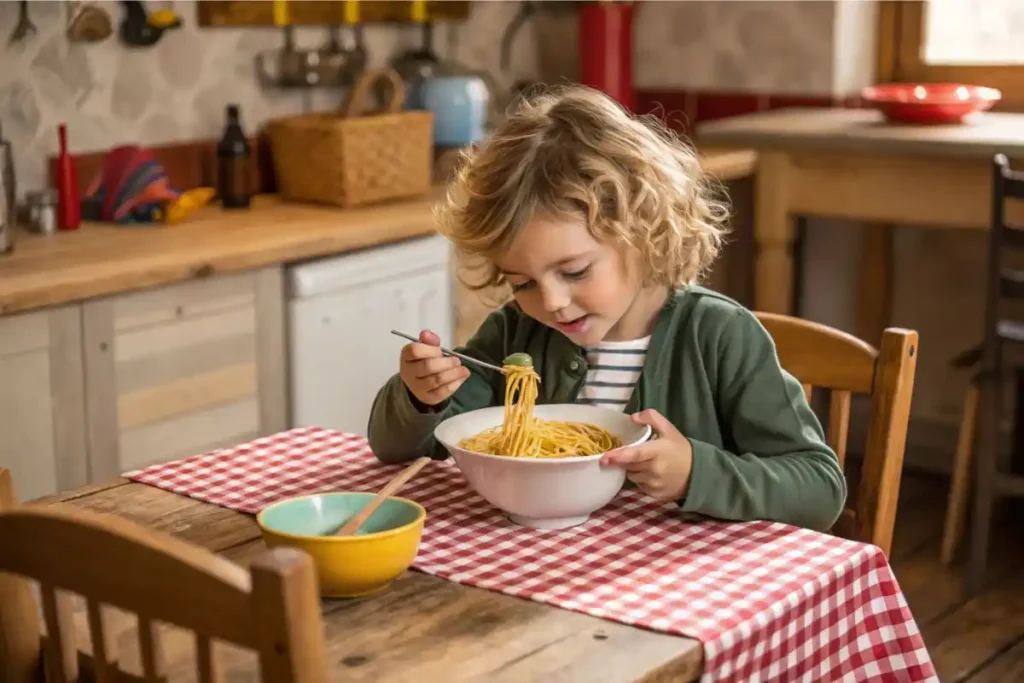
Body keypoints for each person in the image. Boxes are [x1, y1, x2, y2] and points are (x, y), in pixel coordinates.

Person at [367, 85, 846, 532]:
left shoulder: (720, 336)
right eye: (523, 282)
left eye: (574, 272)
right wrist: (420, 397)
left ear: (644, 232)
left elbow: (819, 487)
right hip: (543, 569)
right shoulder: (515, 334)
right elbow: (397, 450)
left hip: (685, 589)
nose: (551, 303)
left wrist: (696, 473)